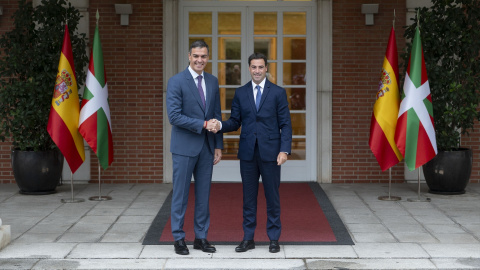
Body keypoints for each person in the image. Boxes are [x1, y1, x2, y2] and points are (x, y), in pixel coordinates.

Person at [217, 52, 292, 253]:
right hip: (248, 154)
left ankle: (274, 239)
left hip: (271, 153)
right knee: (248, 198)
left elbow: (285, 124)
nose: (257, 71)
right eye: (253, 67)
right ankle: (248, 238)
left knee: (272, 197)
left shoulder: (277, 92)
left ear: (266, 68)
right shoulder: (241, 93)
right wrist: (219, 125)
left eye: (260, 67)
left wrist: (284, 150)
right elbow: (235, 121)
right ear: (248, 69)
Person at [166, 40, 223, 255]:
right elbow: (174, 116)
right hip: (183, 148)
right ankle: (179, 238)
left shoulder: (213, 81)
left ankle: (201, 237)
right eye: (196, 56)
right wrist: (203, 124)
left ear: (208, 58)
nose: (200, 60)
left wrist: (218, 145)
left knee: (203, 195)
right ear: (189, 56)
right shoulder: (176, 81)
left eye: (204, 56)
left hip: (207, 148)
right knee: (180, 195)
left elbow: (216, 114)